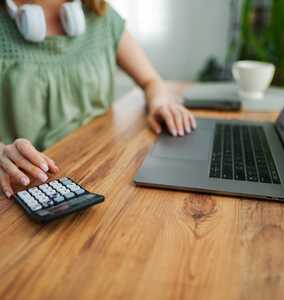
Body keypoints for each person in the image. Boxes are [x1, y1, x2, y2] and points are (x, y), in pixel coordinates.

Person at [0, 0, 196, 198]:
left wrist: (160, 102)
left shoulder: (102, 15)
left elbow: (151, 80)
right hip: (27, 185)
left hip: (102, 172)